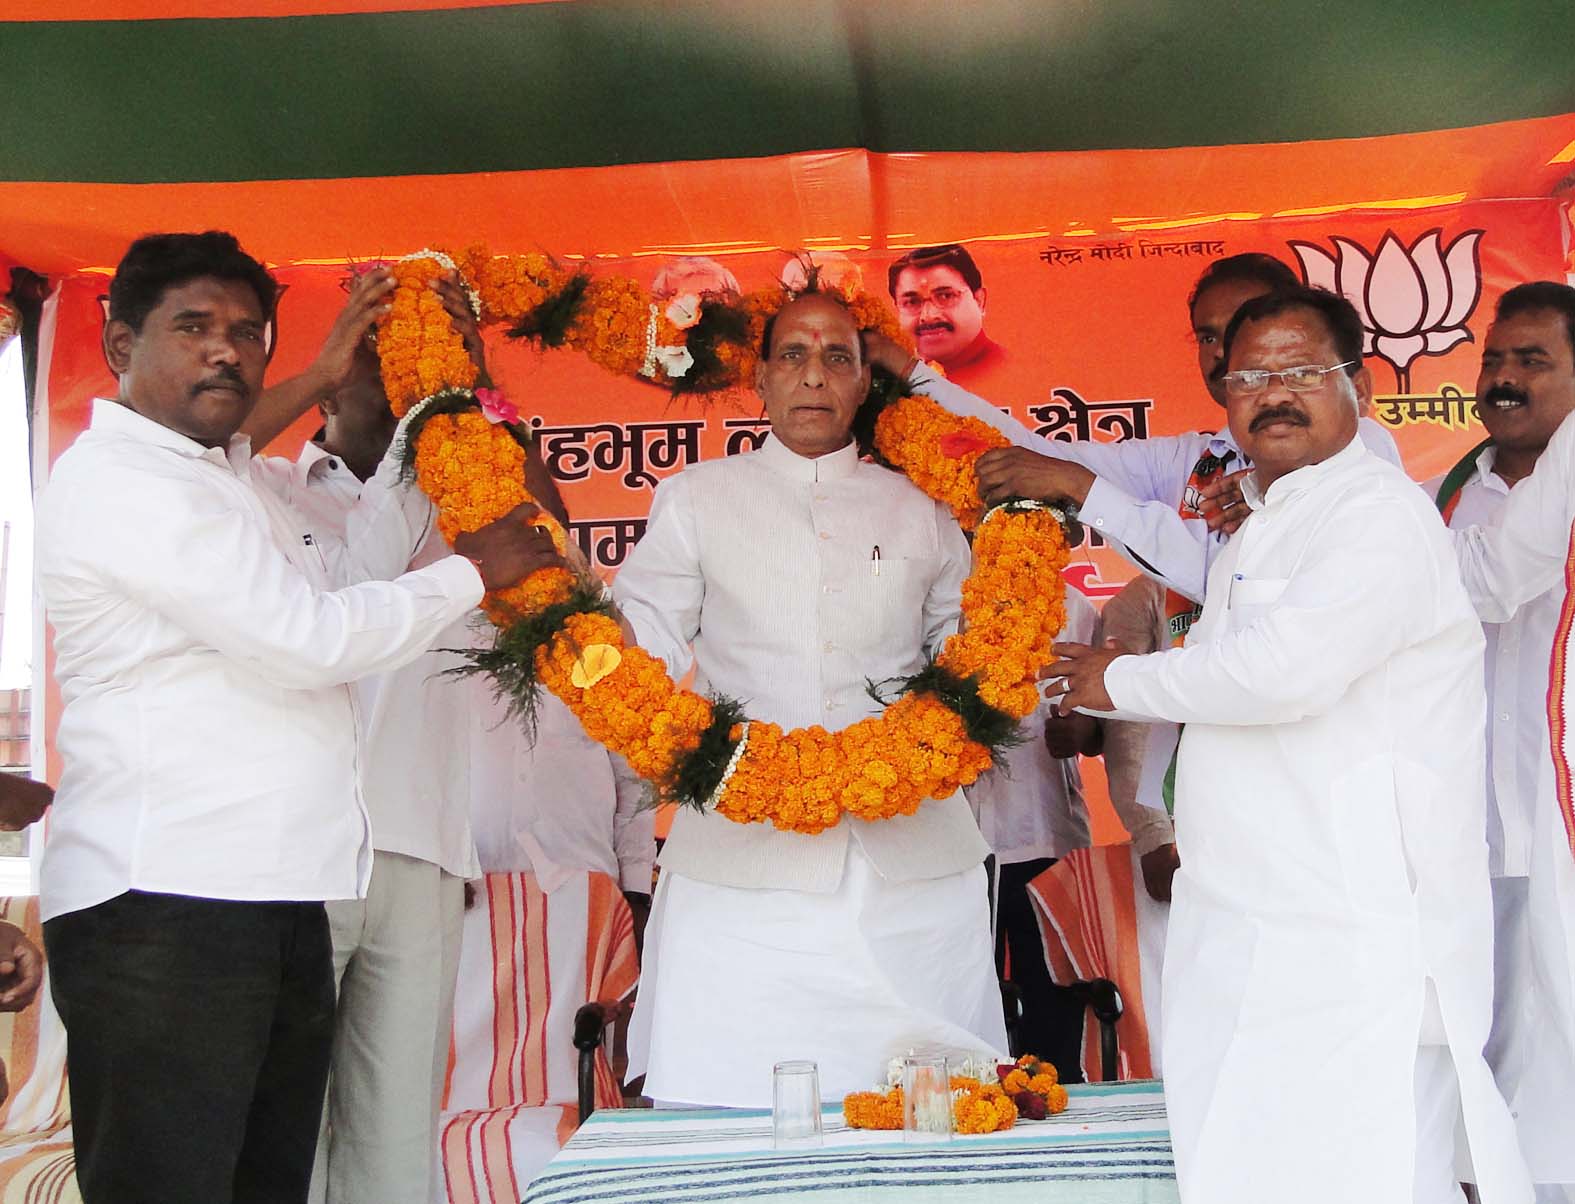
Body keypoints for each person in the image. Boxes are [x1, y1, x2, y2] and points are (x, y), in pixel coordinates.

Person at [33, 231, 554, 1204]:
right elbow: (311, 638)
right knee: (178, 1183)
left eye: (245, 331)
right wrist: (476, 572)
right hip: (165, 901)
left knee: (265, 1183)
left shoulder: (220, 482)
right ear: (116, 344)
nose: (225, 351)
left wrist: (425, 412)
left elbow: (354, 577)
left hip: (272, 892)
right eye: (192, 328)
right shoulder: (128, 485)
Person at [1045, 286, 1529, 1204]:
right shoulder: (1263, 520)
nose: (1275, 393)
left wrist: (1120, 680)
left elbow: (1285, 673)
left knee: (1362, 1170)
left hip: (1350, 931)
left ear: (1362, 386)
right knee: (1253, 1163)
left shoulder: (1374, 514)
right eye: (1250, 376)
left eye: (1303, 371)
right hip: (1260, 923)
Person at [870, 253, 1401, 893]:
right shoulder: (1204, 457)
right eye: (1209, 335)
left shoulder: (1361, 464)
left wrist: (1118, 678)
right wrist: (907, 372)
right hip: (1218, 783)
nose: (1224, 352)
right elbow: (1038, 452)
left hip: (1323, 794)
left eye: (1244, 329)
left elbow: (1234, 587)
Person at [614, 287, 1006, 1106]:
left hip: (914, 872)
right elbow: (641, 636)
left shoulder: (924, 504)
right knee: (728, 1111)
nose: (813, 376)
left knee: (929, 1118)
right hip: (739, 872)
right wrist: (589, 661)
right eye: (792, 355)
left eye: (837, 357)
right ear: (758, 379)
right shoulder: (697, 498)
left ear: (867, 382)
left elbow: (962, 652)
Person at [238, 269, 570, 1204]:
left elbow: (558, 539)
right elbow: (193, 461)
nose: (409, 376)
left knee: (395, 1141)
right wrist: (323, 361)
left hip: (421, 848)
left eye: (427, 355)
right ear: (338, 374)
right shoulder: (260, 487)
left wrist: (478, 386)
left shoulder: (470, 496)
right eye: (388, 356)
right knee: (285, 1128)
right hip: (296, 853)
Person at [1448, 282, 1575, 1202]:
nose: (1502, 378)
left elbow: (1489, 584)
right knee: (1484, 1030)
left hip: (1557, 801)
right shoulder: (1450, 491)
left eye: (1532, 360)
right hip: (1474, 817)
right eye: (1495, 359)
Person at [969, 585, 1099, 1076]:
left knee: (1055, 998)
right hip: (957, 843)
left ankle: (1059, 1106)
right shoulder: (945, 596)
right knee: (963, 995)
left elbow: (1109, 721)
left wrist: (1086, 731)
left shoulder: (1074, 608)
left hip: (1047, 831)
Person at [468, 690, 656, 946]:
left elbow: (634, 775)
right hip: (470, 891)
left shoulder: (607, 654)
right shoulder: (443, 652)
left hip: (584, 891)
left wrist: (637, 890)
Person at [887, 243, 1005, 385]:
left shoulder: (1008, 371)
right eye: (912, 302)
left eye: (945, 296)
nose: (928, 315)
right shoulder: (889, 384)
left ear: (979, 301)